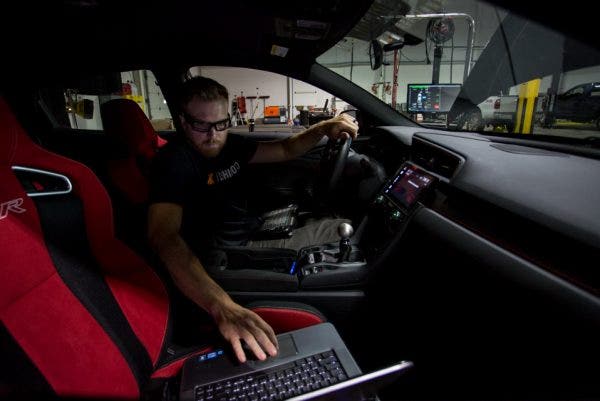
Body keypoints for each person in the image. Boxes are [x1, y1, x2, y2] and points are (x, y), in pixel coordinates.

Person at [147, 76, 358, 363]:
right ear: (184, 122)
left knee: (330, 225)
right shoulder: (174, 163)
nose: (213, 135)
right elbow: (164, 237)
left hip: (251, 232)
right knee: (338, 232)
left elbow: (286, 150)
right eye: (201, 125)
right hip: (226, 258)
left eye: (221, 124)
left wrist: (323, 128)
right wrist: (222, 306)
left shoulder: (229, 145)